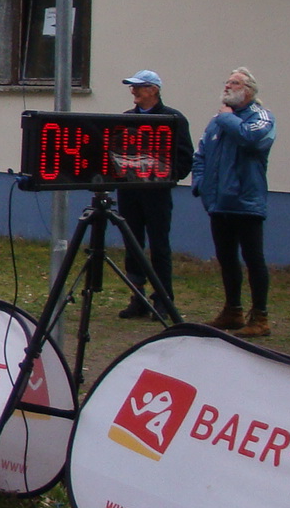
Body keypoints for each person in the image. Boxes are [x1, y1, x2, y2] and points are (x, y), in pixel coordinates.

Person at [192, 66, 276, 336]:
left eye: (235, 83)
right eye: (227, 82)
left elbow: (251, 139)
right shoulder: (216, 122)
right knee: (226, 259)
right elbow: (201, 155)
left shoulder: (261, 117)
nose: (227, 86)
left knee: (253, 259)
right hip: (218, 203)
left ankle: (260, 317)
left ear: (249, 90)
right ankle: (232, 311)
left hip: (246, 202)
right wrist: (201, 185)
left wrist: (227, 117)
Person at [116, 68, 188, 320]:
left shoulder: (173, 119)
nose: (133, 92)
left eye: (139, 87)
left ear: (153, 90)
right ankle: (137, 298)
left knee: (159, 246)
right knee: (132, 245)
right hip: (129, 192)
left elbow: (184, 157)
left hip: (157, 194)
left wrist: (166, 178)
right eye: (132, 87)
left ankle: (163, 300)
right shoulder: (126, 119)